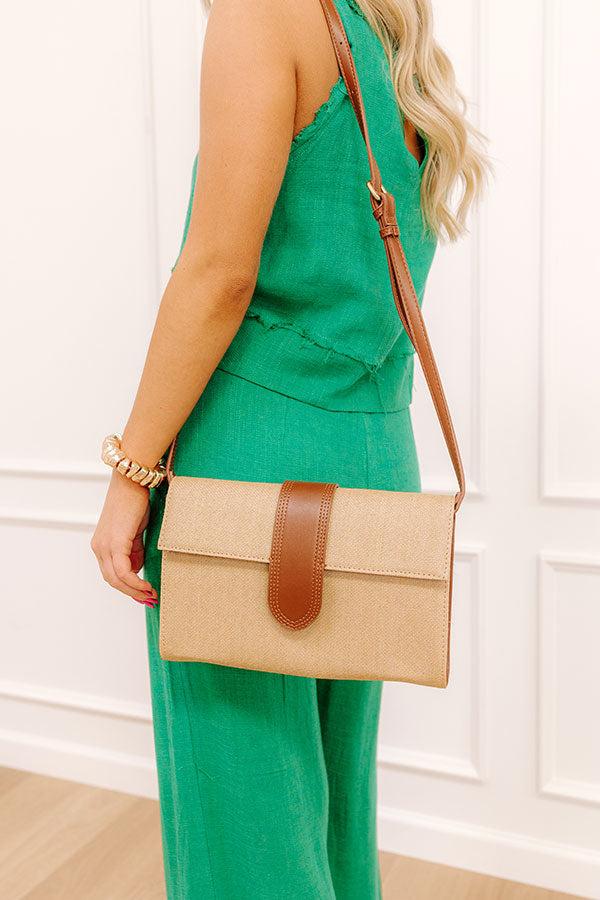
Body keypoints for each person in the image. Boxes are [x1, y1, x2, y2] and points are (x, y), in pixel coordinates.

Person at [92, 0, 488, 895]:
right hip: (371, 467)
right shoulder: (381, 32)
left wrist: (131, 471)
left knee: (245, 823)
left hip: (252, 476)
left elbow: (218, 274)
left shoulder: (261, 12)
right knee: (331, 815)